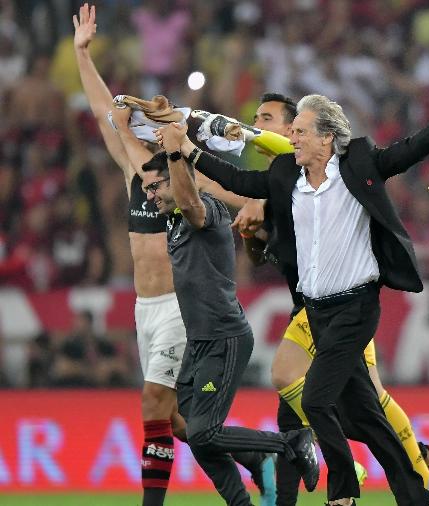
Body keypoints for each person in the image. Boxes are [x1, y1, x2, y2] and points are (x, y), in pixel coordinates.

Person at [167, 93, 429, 505]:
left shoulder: (356, 164)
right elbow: (239, 182)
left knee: (315, 399)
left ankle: (342, 492)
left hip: (356, 307)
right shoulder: (287, 174)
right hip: (317, 311)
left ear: (326, 139)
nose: (292, 137)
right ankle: (418, 496)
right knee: (367, 416)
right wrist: (187, 150)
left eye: (300, 131)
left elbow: (403, 154)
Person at [71, 4, 277, 505]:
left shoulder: (191, 178)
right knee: (182, 424)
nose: (137, 130)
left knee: (153, 407)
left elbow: (245, 198)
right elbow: (103, 112)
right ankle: (254, 463)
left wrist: (265, 207)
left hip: (180, 309)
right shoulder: (136, 173)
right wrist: (82, 52)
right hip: (146, 308)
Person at [151, 124, 318, 505]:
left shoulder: (204, 209)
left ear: (177, 181)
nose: (150, 194)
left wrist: (178, 153)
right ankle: (251, 469)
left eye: (157, 186)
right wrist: (134, 126)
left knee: (205, 432)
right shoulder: (174, 221)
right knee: (183, 426)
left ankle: (288, 442)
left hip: (223, 336)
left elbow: (190, 200)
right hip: (200, 340)